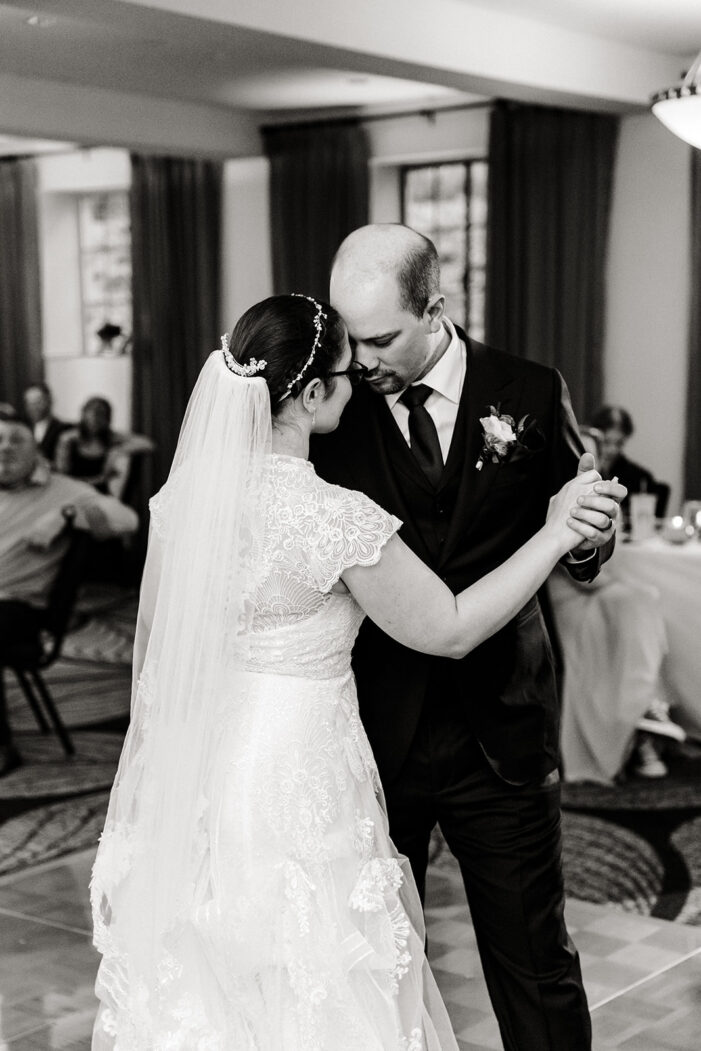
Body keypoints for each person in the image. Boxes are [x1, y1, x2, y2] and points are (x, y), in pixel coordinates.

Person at [90, 294, 622, 1050]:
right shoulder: (329, 516)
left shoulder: (183, 501)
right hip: (302, 767)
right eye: (345, 371)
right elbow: (449, 628)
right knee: (323, 969)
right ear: (311, 393)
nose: (361, 377)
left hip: (210, 762)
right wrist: (556, 528)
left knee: (230, 970)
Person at [311, 225, 625, 1051]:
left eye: (381, 338)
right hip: (373, 733)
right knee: (379, 962)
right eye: (350, 337)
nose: (361, 359)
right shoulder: (333, 410)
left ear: (435, 309)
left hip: (502, 726)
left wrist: (589, 533)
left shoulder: (524, 388)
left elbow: (581, 539)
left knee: (533, 961)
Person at [0, 414, 139, 777]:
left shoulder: (63, 490)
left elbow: (127, 520)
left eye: (16, 440)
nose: (4, 447)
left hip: (20, 607)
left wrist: (66, 514)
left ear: (37, 448)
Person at [549, 427, 685, 783]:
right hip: (567, 594)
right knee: (640, 600)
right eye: (588, 453)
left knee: (642, 601)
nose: (596, 461)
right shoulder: (561, 498)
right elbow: (574, 571)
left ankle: (642, 711)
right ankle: (646, 711)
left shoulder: (606, 494)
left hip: (600, 590)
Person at [55, 396, 154, 501]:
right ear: (84, 416)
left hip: (101, 495)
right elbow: (62, 474)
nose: (95, 420)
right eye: (91, 415)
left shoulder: (111, 438)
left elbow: (147, 444)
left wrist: (117, 451)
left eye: (100, 416)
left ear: (107, 419)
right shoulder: (69, 439)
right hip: (74, 491)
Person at [589, 405, 669, 520]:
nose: (612, 450)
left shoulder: (640, 477)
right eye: (606, 442)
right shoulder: (582, 471)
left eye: (619, 443)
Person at [22, 381, 70, 465]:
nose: (33, 407)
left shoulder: (64, 429)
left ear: (49, 401)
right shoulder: (23, 428)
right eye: (29, 403)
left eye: (38, 402)